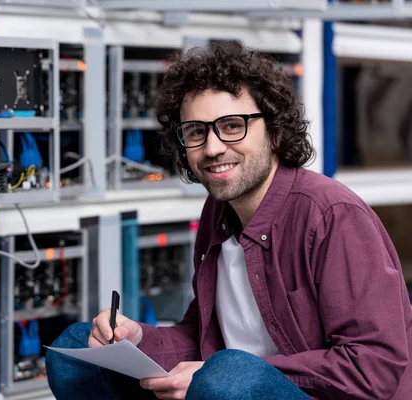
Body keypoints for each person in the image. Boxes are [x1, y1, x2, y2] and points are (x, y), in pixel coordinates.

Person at [45, 41, 412, 399]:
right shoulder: (218, 212)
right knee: (76, 350)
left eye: (233, 125)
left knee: (228, 378)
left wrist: (226, 371)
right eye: (196, 131)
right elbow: (204, 335)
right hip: (227, 386)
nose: (213, 147)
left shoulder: (331, 215)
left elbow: (372, 367)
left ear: (275, 131)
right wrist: (138, 339)